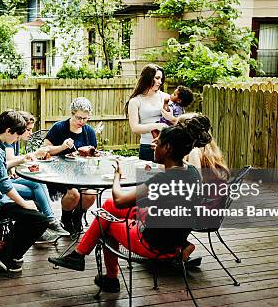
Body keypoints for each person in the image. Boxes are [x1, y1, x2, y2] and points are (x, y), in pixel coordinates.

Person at [48, 115, 213, 292]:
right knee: (109, 205)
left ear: (168, 148)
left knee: (107, 223)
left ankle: (110, 278)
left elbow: (121, 200)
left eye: (158, 143)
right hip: (175, 240)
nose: (154, 146)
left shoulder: (163, 179)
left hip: (152, 245)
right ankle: (78, 255)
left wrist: (117, 176)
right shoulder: (192, 172)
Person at [0, 110, 50, 273]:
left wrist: (21, 159)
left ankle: (8, 249)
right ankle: (5, 254)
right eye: (17, 135)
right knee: (40, 220)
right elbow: (4, 185)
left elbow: (0, 169)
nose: (17, 138)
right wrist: (24, 203)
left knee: (33, 213)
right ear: (8, 130)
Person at [5, 111, 69, 238]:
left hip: (9, 179)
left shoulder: (14, 141)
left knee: (37, 185)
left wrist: (14, 171)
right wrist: (34, 155)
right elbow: (9, 161)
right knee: (38, 190)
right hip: (2, 184)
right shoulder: (8, 141)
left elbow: (12, 164)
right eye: (28, 130)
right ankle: (46, 223)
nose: (30, 133)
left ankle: (45, 224)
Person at [42, 97, 98, 235]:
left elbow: (93, 154)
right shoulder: (59, 127)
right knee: (74, 194)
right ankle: (66, 219)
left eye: (85, 118)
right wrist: (62, 147)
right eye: (79, 118)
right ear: (72, 113)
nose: (82, 122)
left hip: (81, 172)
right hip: (59, 172)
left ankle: (77, 217)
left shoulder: (88, 131)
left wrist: (89, 153)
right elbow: (45, 150)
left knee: (90, 194)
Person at [126, 64, 171, 162]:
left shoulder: (166, 97)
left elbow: (175, 121)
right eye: (157, 78)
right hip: (147, 146)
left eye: (161, 79)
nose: (160, 82)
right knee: (145, 177)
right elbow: (135, 128)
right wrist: (158, 126)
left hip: (166, 147)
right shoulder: (135, 101)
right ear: (148, 78)